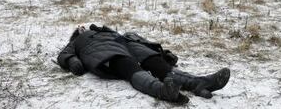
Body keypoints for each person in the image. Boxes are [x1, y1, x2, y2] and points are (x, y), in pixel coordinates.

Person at [58, 24, 230, 104]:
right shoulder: (77, 41)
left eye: (83, 26)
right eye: (79, 28)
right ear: (76, 33)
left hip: (126, 45)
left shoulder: (109, 31)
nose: (82, 27)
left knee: (155, 62)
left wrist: (164, 54)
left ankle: (199, 83)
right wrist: (73, 62)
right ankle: (163, 91)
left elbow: (138, 39)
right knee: (129, 66)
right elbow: (64, 55)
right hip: (105, 53)